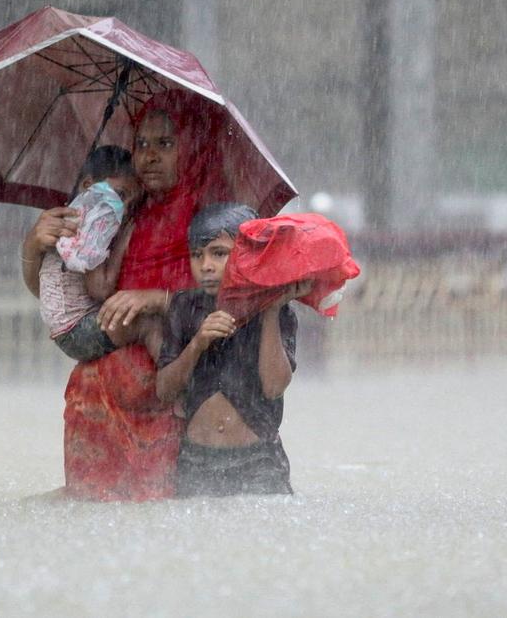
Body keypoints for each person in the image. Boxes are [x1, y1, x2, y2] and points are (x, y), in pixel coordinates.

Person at [21, 89, 235, 501]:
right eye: (141, 144)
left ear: (191, 149)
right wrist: (34, 246)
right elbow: (58, 295)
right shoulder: (117, 211)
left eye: (166, 144)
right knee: (93, 523)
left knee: (161, 519)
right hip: (97, 395)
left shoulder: (208, 215)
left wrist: (159, 298)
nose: (150, 156)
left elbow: (230, 297)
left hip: (170, 394)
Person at [155, 203, 311, 497]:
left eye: (219, 253)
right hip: (196, 461)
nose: (206, 266)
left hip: (258, 463)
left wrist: (271, 311)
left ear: (246, 255)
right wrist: (198, 343)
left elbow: (274, 386)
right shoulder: (184, 307)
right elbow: (164, 390)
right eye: (196, 255)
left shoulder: (278, 310)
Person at [39, 146, 161, 361]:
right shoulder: (93, 224)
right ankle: (172, 381)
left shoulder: (76, 213)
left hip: (65, 328)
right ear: (88, 185)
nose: (124, 208)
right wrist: (124, 241)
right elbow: (100, 289)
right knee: (151, 325)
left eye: (133, 203)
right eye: (121, 195)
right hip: (77, 329)